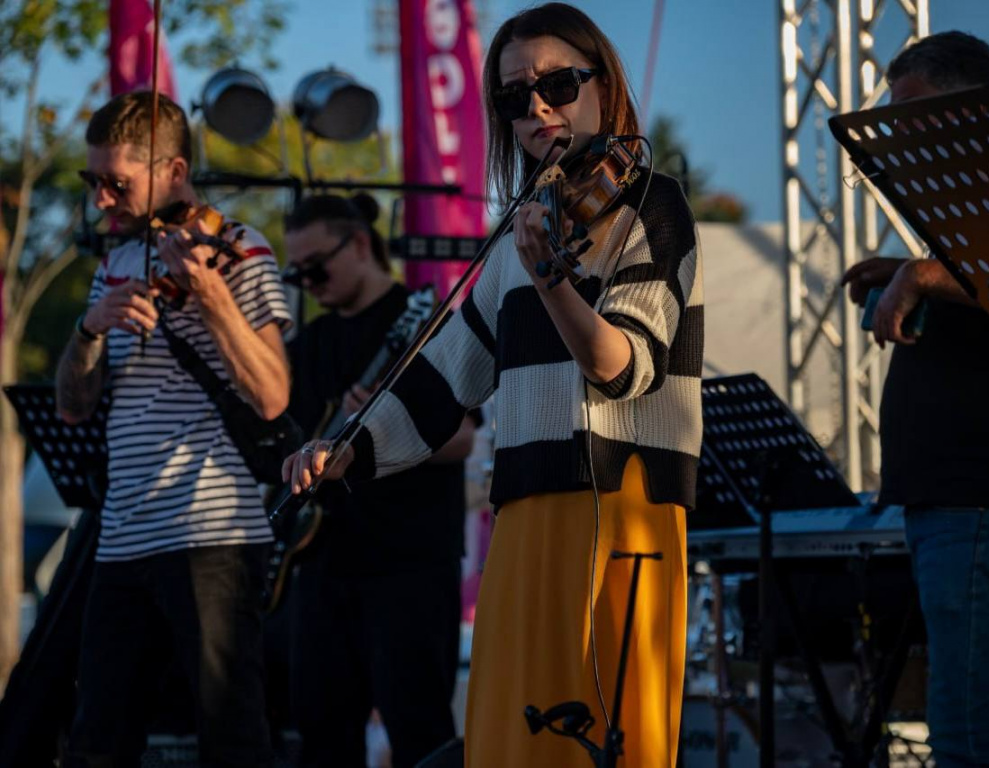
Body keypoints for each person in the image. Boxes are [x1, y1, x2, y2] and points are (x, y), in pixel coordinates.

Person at [284, 4, 704, 766]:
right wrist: (348, 449)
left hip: (622, 506)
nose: (538, 108)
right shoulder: (523, 232)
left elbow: (623, 365)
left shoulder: (653, 202)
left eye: (556, 85)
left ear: (602, 84)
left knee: (613, 742)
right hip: (527, 505)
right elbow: (445, 376)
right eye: (515, 98)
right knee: (517, 739)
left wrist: (552, 280)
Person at [55, 91, 292, 767]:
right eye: (93, 181)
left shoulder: (240, 246)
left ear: (175, 172)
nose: (102, 198)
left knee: (231, 735)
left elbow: (273, 394)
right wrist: (87, 330)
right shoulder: (114, 264)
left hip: (212, 531)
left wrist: (212, 296)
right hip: (123, 535)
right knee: (98, 735)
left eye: (116, 182)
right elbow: (73, 407)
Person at [841, 32, 989, 767]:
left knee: (970, 722)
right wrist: (907, 269)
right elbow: (982, 277)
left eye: (911, 113)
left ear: (970, 107)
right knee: (976, 707)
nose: (898, 132)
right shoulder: (965, 213)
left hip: (975, 491)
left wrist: (918, 276)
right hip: (943, 495)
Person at [282, 193, 475, 767]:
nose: (308, 280)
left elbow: (465, 435)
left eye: (316, 265)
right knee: (322, 737)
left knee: (420, 733)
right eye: (297, 271)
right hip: (323, 565)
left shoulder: (422, 319)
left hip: (409, 565)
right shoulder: (310, 343)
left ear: (360, 244)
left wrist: (392, 430)